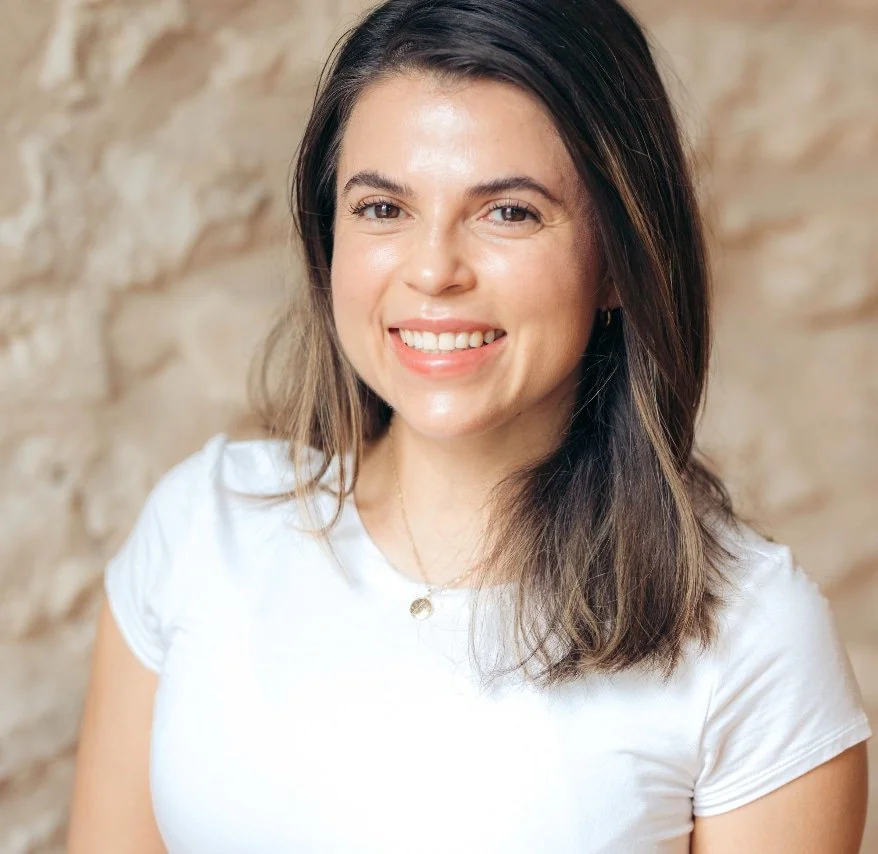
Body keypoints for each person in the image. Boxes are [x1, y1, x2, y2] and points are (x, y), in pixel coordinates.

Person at [67, 0, 871, 851]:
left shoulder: (749, 637)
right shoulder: (202, 525)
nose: (433, 270)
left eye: (509, 212)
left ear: (617, 261)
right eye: (383, 209)